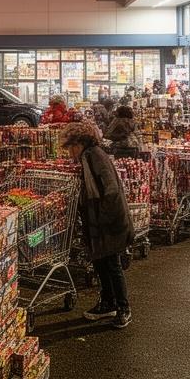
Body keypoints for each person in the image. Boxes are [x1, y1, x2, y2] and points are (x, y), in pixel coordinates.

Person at [61, 121, 135, 329]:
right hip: (99, 220)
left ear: (79, 143)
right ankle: (108, 303)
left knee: (112, 265)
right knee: (101, 263)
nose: (70, 153)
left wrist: (102, 216)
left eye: (70, 148)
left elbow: (111, 189)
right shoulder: (89, 155)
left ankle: (123, 308)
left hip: (109, 220)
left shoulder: (95, 155)